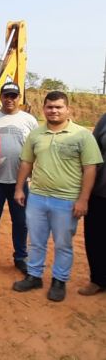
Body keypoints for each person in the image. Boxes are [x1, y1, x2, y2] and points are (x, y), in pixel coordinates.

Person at [13, 91, 102, 302]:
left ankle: (59, 281)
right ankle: (34, 275)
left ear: (67, 109)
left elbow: (90, 168)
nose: (54, 111)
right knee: (36, 241)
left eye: (58, 107)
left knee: (63, 243)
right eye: (50, 107)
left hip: (67, 200)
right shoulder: (35, 134)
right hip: (37, 196)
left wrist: (83, 199)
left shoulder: (82, 135)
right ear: (44, 109)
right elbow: (26, 162)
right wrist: (19, 188)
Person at [0, 83, 38, 274]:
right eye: (6, 95)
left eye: (14, 96)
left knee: (21, 221)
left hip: (19, 182)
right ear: (1, 97)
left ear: (19, 97)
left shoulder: (29, 120)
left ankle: (21, 256)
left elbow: (36, 148)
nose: (10, 99)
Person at [79, 112, 106, 296]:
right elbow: (92, 154)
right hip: (100, 191)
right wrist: (84, 194)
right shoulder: (104, 120)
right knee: (95, 238)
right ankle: (98, 279)